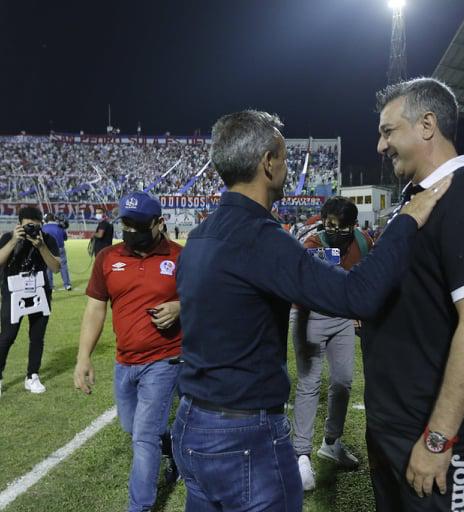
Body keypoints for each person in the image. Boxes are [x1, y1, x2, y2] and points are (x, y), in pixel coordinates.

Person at [172, 109, 449, 512]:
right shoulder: (263, 239)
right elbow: (357, 295)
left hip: (192, 426)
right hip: (244, 436)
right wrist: (406, 221)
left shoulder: (198, 237)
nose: (287, 167)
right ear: (268, 162)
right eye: (283, 156)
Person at [364, 77, 464, 511]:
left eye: (388, 131)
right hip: (398, 422)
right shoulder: (417, 202)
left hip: (436, 431)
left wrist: (439, 438)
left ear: (427, 125)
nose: (380, 146)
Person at [74, 191, 183, 512]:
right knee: (132, 427)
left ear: (159, 223)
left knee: (143, 437)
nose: (131, 229)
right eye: (126, 222)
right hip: (125, 362)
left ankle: (140, 507)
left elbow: (207, 299)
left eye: (138, 224)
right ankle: (175, 450)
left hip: (165, 360)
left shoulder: (180, 257)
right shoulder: (107, 258)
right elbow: (95, 309)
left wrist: (181, 306)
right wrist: (83, 357)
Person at [293, 196, 373, 491]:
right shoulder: (313, 244)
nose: (334, 230)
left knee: (343, 381)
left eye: (342, 226)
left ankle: (331, 441)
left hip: (341, 316)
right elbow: (324, 283)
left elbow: (368, 277)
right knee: (309, 384)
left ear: (354, 225)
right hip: (310, 314)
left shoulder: (364, 241)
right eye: (329, 224)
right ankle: (300, 454)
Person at [0, 206, 61, 397]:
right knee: (7, 336)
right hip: (13, 290)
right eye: (27, 226)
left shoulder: (47, 239)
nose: (31, 230)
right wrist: (13, 241)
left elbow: (56, 267)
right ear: (19, 224)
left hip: (39, 290)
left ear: (41, 225)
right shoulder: (8, 237)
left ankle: (32, 376)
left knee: (37, 336)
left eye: (35, 226)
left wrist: (41, 246)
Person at [42, 213, 71, 291]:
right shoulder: (60, 227)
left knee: (48, 267)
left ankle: (50, 286)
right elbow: (65, 238)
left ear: (46, 219)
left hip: (48, 249)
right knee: (63, 266)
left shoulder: (43, 227)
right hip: (60, 248)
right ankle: (67, 285)